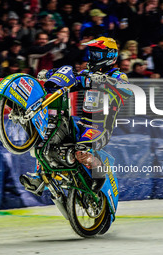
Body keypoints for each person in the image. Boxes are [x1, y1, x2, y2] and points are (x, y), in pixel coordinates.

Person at [20, 37, 133, 195]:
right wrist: (50, 74)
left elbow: (128, 90)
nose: (92, 58)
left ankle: (99, 173)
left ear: (110, 56)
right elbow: (71, 78)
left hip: (100, 128)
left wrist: (107, 81)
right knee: (48, 137)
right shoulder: (88, 74)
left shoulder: (118, 76)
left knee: (81, 151)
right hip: (81, 123)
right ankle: (40, 178)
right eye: (91, 54)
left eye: (97, 55)